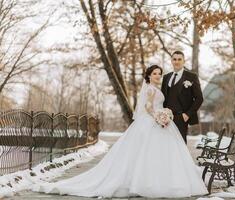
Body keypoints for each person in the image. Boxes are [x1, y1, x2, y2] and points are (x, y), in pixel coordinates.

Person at [31, 65, 208, 198]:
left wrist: (164, 114)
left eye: (159, 74)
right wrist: (158, 116)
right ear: (148, 76)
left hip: (159, 121)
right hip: (152, 122)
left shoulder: (157, 88)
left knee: (159, 154)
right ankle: (146, 183)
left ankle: (158, 181)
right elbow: (147, 107)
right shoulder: (151, 89)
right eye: (155, 74)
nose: (158, 76)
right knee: (147, 153)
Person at [161, 51, 204, 144]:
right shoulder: (166, 77)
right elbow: (163, 98)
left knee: (180, 145)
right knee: (166, 145)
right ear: (171, 61)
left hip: (181, 117)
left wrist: (187, 115)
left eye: (179, 59)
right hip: (166, 118)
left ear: (184, 61)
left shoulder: (191, 76)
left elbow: (199, 98)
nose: (177, 62)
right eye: (174, 59)